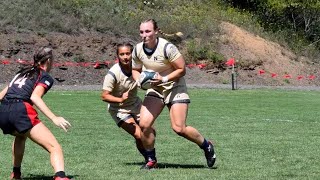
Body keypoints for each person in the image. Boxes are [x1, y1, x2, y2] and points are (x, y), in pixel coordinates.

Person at [132, 19, 216, 169]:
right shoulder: (138, 49)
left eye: (148, 31)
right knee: (144, 124)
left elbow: (181, 69)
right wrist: (139, 81)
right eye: (142, 32)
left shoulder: (167, 47)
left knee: (179, 128)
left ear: (156, 31)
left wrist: (163, 78)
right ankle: (151, 160)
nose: (144, 35)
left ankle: (206, 145)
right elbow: (135, 69)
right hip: (156, 88)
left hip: (175, 87)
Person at [0, 47, 72, 180]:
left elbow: (1, 95)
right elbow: (35, 97)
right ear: (49, 60)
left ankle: (16, 173)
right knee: (55, 147)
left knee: (21, 136)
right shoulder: (45, 76)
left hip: (3, 111)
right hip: (20, 109)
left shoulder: (21, 73)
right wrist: (54, 118)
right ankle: (60, 176)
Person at [101, 42, 149, 162]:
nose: (125, 57)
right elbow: (104, 96)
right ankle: (150, 160)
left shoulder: (138, 67)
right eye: (122, 54)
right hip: (119, 109)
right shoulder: (113, 74)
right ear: (117, 56)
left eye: (128, 53)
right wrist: (120, 99)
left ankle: (150, 159)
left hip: (136, 104)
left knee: (149, 131)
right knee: (139, 135)